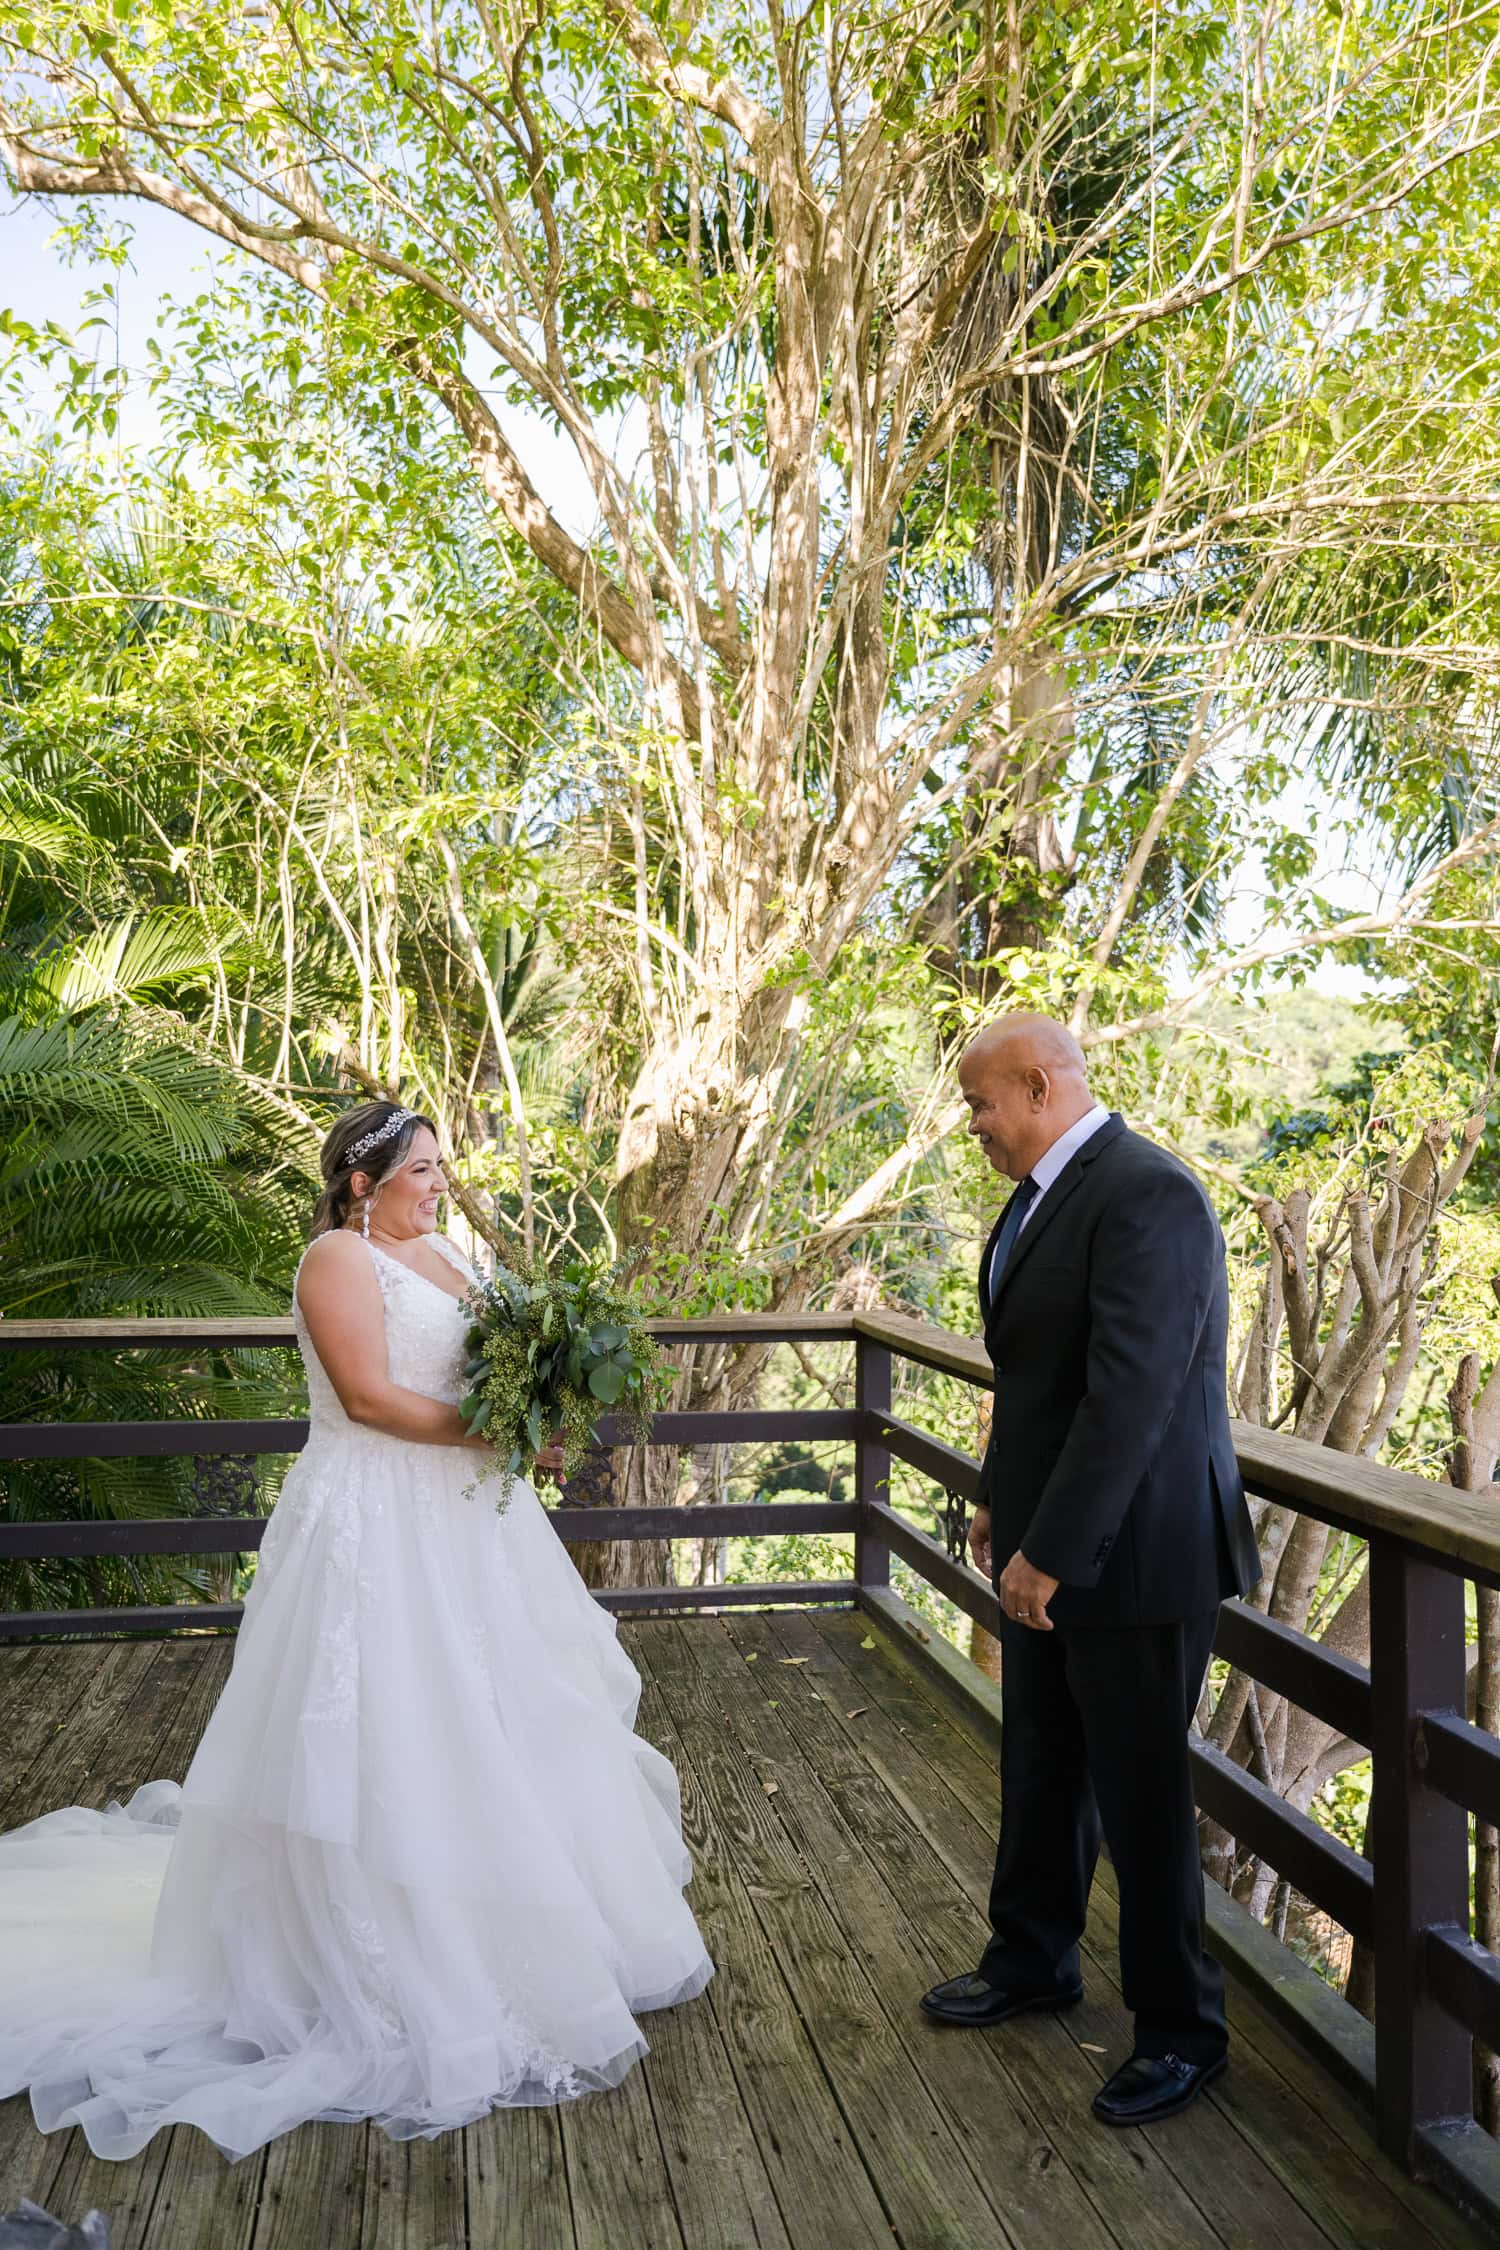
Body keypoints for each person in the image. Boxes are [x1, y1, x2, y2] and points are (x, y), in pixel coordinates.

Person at [0, 1102, 713, 2162]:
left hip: (471, 1525)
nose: (439, 1184)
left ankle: (522, 1934)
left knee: (500, 1716)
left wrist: (543, 1403)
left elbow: (504, 1355)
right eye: (421, 1169)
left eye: (440, 1168)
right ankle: (361, 1962)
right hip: (375, 1520)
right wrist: (502, 1431)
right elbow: (372, 1400)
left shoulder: (448, 1254)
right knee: (386, 1728)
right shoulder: (335, 1259)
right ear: (358, 1182)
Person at [920, 1015, 1260, 2125]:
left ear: (1037, 1083)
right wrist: (999, 1506)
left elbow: (1133, 1399)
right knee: (1044, 1762)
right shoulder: (1039, 1198)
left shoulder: (1147, 1192)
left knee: (1143, 1796)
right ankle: (1033, 1958)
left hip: (1137, 1553)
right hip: (1045, 1537)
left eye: (981, 1104)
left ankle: (1181, 2032)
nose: (974, 1125)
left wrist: (1052, 1554)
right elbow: (1036, 1385)